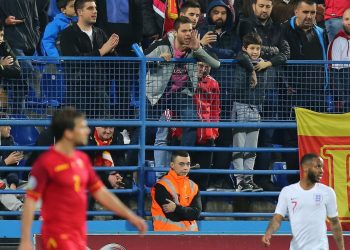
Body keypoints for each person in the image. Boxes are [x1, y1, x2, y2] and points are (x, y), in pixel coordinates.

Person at [18, 108, 147, 250]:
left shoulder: (82, 159)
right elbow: (30, 202)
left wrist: (130, 216)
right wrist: (25, 240)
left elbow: (100, 192)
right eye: (82, 127)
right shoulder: (45, 164)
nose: (87, 131)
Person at [145, 16, 219, 171]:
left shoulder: (193, 48)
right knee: (142, 132)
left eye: (190, 30)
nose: (187, 34)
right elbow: (140, 61)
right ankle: (126, 171)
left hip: (180, 94)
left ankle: (181, 163)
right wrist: (158, 60)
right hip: (157, 95)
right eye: (184, 30)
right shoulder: (162, 45)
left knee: (192, 122)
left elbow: (215, 64)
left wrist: (198, 48)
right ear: (175, 32)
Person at [238, 0, 290, 191]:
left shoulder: (278, 27)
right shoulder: (244, 23)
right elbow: (244, 50)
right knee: (243, 136)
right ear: (254, 6)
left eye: (268, 6)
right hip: (248, 89)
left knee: (267, 135)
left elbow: (285, 53)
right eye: (261, 5)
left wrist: (268, 62)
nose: (265, 9)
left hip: (271, 88)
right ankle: (242, 180)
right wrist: (272, 51)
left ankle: (261, 178)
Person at [282, 0, 329, 183]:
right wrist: (285, 84)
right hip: (292, 96)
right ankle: (294, 183)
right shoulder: (284, 30)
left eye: (312, 12)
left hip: (318, 95)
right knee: (293, 140)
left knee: (317, 139)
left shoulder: (320, 32)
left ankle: (315, 181)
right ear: (296, 11)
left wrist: (326, 85)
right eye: (305, 12)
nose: (309, 16)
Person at [262, 153, 345, 250]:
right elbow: (277, 218)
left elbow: (335, 223)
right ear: (305, 168)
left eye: (322, 167)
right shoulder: (288, 191)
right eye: (317, 166)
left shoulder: (328, 192)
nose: (321, 171)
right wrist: (268, 233)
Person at [198, 0, 240, 191]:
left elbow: (233, 54)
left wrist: (208, 49)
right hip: (202, 94)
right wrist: (201, 44)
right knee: (204, 136)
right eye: (215, 12)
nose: (219, 16)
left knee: (224, 137)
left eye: (223, 13)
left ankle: (219, 178)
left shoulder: (233, 35)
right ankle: (202, 180)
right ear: (209, 14)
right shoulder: (200, 33)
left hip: (227, 92)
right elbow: (195, 52)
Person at [60, 0, 119, 118]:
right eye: (90, 8)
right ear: (80, 12)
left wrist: (111, 51)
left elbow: (112, 63)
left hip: (100, 90)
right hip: (78, 92)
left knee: (102, 129)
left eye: (95, 8)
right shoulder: (68, 34)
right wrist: (102, 51)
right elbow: (74, 60)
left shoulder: (100, 33)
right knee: (79, 132)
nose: (95, 12)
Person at [231, 33, 272, 192]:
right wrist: (251, 71)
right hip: (240, 106)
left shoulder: (263, 64)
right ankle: (239, 181)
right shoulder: (241, 60)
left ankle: (249, 179)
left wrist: (267, 63)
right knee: (239, 146)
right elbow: (240, 56)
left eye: (257, 48)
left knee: (251, 148)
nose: (255, 51)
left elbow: (281, 52)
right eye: (252, 48)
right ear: (245, 48)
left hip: (256, 108)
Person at [171, 60, 220, 191]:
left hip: (206, 138)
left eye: (206, 66)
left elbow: (215, 110)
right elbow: (173, 109)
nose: (202, 69)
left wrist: (214, 132)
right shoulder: (182, 80)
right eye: (200, 65)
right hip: (185, 138)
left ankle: (200, 210)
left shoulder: (213, 83)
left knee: (202, 180)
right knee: (182, 179)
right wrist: (177, 132)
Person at [151, 150, 202, 231]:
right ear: (172, 165)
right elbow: (172, 216)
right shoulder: (161, 186)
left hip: (191, 238)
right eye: (181, 164)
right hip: (167, 237)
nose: (185, 168)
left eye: (188, 164)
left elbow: (196, 214)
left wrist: (176, 208)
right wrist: (188, 212)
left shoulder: (194, 186)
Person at [328, 8, 350, 113]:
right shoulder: (337, 41)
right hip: (345, 94)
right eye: (347, 19)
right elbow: (334, 72)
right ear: (342, 21)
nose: (349, 22)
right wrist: (341, 97)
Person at [0, 24, 21, 113]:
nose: (0, 39)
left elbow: (16, 71)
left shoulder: (4, 45)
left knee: (2, 93)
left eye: (1, 35)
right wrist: (1, 65)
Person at [0, 113, 24, 190]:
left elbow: (13, 168)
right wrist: (6, 162)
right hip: (1, 183)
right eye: (7, 125)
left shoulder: (8, 141)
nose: (10, 128)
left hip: (8, 181)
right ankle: (17, 200)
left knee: (34, 186)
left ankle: (15, 195)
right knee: (3, 188)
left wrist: (13, 184)